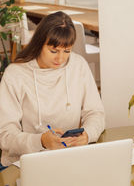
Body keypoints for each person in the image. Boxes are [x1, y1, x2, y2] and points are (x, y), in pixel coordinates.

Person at [0, 11, 105, 166]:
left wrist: (88, 134)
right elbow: (5, 135)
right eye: (53, 51)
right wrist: (40, 141)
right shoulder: (16, 74)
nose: (60, 59)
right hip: (26, 162)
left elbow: (95, 113)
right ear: (39, 44)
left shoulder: (78, 65)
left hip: (69, 157)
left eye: (67, 51)